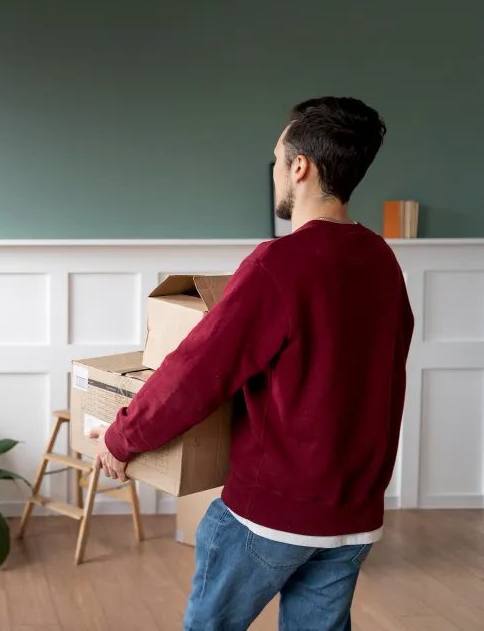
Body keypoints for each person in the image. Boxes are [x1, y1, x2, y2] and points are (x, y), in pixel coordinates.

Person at [92, 97, 413, 630]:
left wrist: (121, 438)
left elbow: (195, 373)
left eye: (277, 160)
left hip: (269, 516)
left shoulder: (279, 264)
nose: (275, 175)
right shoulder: (381, 260)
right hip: (353, 518)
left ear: (300, 167)